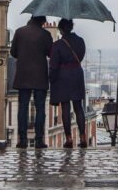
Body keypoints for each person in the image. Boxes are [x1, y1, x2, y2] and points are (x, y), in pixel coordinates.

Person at [10, 15, 53, 149]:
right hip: (40, 74)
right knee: (40, 108)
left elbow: (13, 52)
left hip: (23, 74)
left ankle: (22, 140)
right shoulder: (45, 34)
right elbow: (50, 53)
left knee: (22, 107)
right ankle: (39, 140)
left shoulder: (19, 31)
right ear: (42, 21)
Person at [49, 18, 87, 148]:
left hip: (63, 75)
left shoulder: (57, 45)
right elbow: (80, 57)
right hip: (77, 74)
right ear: (71, 27)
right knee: (78, 107)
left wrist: (52, 78)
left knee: (65, 108)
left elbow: (53, 65)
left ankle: (69, 139)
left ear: (60, 29)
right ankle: (83, 138)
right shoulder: (81, 41)